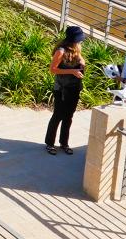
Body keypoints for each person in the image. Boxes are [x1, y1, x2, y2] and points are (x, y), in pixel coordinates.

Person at [45, 25, 86, 155]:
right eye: (78, 40)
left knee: (68, 116)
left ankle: (64, 143)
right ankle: (50, 143)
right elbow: (53, 70)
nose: (80, 42)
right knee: (58, 115)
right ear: (72, 40)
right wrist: (73, 71)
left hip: (74, 88)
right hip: (62, 89)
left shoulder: (76, 48)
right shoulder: (61, 51)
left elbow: (79, 61)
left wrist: (82, 63)